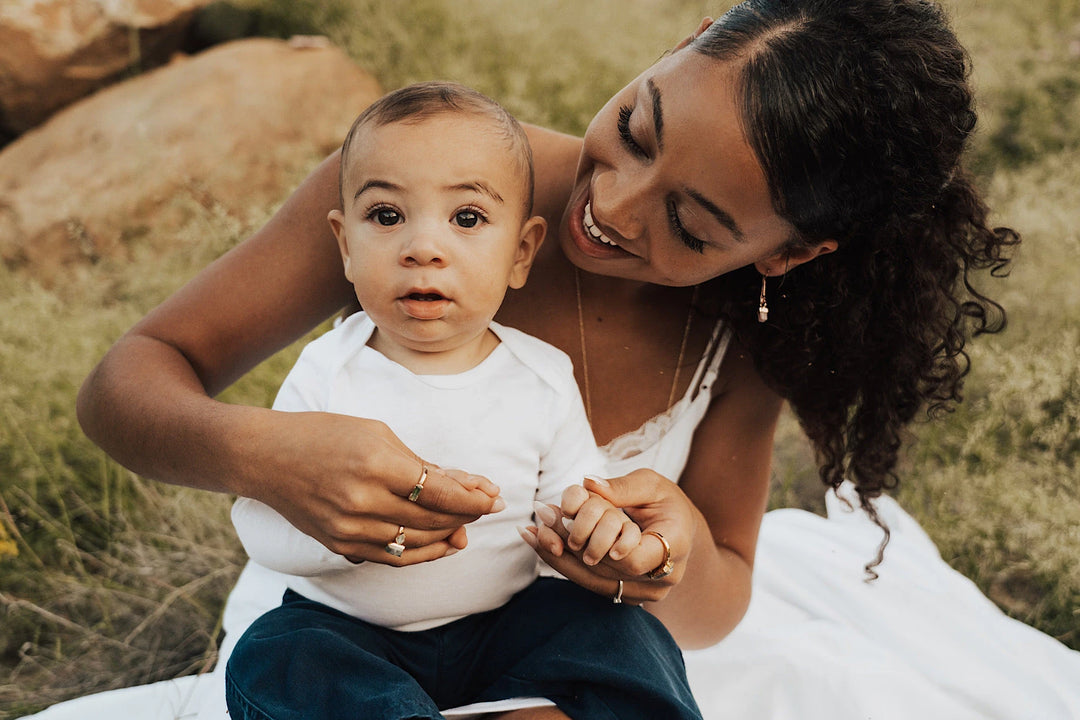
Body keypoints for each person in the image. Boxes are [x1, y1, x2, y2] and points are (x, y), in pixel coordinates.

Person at [67, 1, 1080, 719]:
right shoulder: (422, 194)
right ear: (685, 44)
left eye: (692, 225)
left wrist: (664, 552)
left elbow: (719, 595)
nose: (614, 209)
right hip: (340, 622)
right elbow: (129, 381)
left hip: (545, 632)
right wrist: (262, 455)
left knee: (633, 664)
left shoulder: (749, 337)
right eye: (639, 128)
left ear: (789, 252)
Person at [224, 81, 701, 720]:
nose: (424, 248)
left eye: (467, 219)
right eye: (386, 217)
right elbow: (260, 520)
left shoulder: (542, 376)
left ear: (521, 253)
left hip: (503, 628)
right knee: (277, 657)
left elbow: (574, 499)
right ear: (345, 244)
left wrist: (598, 531)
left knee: (624, 634)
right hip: (353, 632)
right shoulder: (328, 373)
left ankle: (529, 708)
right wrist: (335, 533)